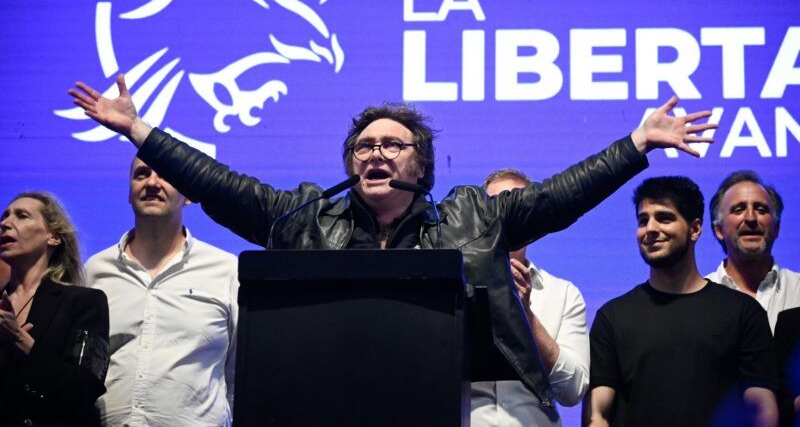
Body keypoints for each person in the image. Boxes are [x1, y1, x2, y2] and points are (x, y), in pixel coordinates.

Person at [69, 74, 714, 404]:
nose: (375, 153)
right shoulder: (304, 217)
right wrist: (142, 133)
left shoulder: (470, 217)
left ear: (419, 165)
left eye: (391, 144)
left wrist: (636, 145)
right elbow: (221, 185)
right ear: (351, 162)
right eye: (363, 145)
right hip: (325, 402)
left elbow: (558, 197)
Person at [584, 176, 778, 427]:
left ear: (695, 229)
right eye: (643, 220)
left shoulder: (743, 312)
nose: (650, 229)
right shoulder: (613, 317)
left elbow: (762, 409)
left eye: (664, 218)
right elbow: (596, 415)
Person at [84, 157, 239, 426]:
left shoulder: (225, 268)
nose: (152, 183)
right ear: (129, 193)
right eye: (141, 175)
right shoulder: (96, 269)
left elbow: (239, 372)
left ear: (188, 194)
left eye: (165, 175)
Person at [471, 169, 589, 427]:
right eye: (496, 206)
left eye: (517, 207)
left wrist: (526, 316)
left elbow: (572, 392)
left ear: (535, 220)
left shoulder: (563, 293)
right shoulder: (455, 286)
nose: (505, 216)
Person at [0, 192, 110, 427]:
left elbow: (84, 390)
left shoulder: (86, 303)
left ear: (53, 236)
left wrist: (20, 340)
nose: (5, 223)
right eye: (5, 216)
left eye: (22, 216)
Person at [706, 170, 799, 332]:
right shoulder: (699, 298)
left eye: (761, 209)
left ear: (776, 228)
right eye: (738, 209)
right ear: (719, 229)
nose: (751, 218)